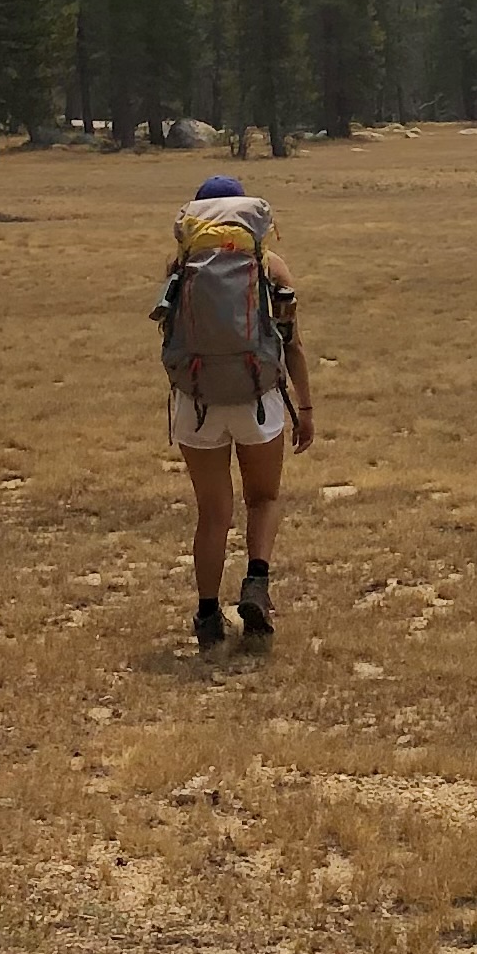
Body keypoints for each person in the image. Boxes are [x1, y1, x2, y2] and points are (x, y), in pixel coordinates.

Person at [163, 174, 314, 648]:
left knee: (212, 512)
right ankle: (256, 584)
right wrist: (305, 407)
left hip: (198, 404)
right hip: (259, 399)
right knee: (263, 498)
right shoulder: (271, 266)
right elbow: (292, 344)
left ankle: (208, 614)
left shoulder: (180, 265)